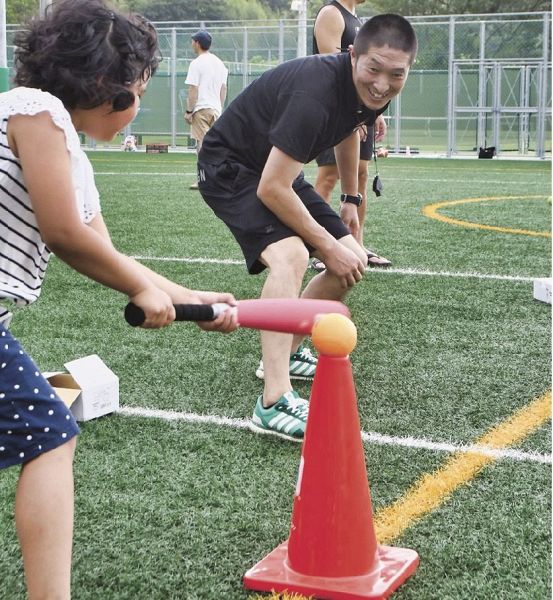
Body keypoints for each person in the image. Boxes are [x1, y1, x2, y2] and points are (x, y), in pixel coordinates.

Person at [0, 1, 237, 598]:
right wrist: (141, 290)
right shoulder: (34, 109)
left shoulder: (67, 149)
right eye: (137, 89)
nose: (139, 104)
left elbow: (105, 248)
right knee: (51, 433)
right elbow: (65, 234)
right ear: (105, 86)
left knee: (48, 430)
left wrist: (190, 301)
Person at [198, 15, 417, 441]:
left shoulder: (374, 88)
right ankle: (272, 400)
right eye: (374, 69)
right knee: (293, 254)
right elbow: (272, 188)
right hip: (231, 169)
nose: (382, 84)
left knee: (350, 261)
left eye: (396, 75)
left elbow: (353, 128)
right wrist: (323, 243)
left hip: (276, 169)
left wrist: (351, 200)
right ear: (352, 55)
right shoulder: (314, 92)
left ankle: (286, 352)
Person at [312, 0, 391, 272]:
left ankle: (357, 245)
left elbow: (363, 71)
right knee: (329, 177)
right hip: (335, 110)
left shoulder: (356, 18)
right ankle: (318, 247)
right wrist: (350, 113)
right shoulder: (331, 13)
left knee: (359, 175)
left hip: (359, 109)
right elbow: (332, 65)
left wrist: (373, 111)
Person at [184, 30, 228, 190]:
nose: (192, 44)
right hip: (216, 108)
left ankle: (204, 180)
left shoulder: (196, 63)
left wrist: (189, 111)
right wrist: (220, 107)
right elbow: (224, 88)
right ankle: (219, 177)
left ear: (197, 43)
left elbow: (193, 89)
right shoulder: (220, 64)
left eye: (193, 41)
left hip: (201, 108)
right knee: (216, 145)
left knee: (202, 145)